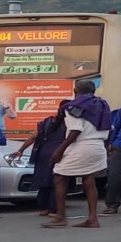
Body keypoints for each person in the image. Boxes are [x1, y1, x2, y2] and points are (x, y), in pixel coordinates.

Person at [44, 79, 111, 228]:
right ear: (93, 91)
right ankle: (93, 218)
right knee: (89, 179)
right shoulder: (102, 105)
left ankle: (60, 217)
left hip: (81, 145)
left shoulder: (74, 106)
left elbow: (75, 130)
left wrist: (59, 150)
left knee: (60, 177)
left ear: (75, 91)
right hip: (98, 146)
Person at [9, 99, 71, 217]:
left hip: (43, 154)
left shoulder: (48, 121)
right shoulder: (71, 124)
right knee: (57, 182)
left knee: (44, 181)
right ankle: (54, 210)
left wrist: (20, 150)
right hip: (60, 154)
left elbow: (33, 137)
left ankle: (43, 209)